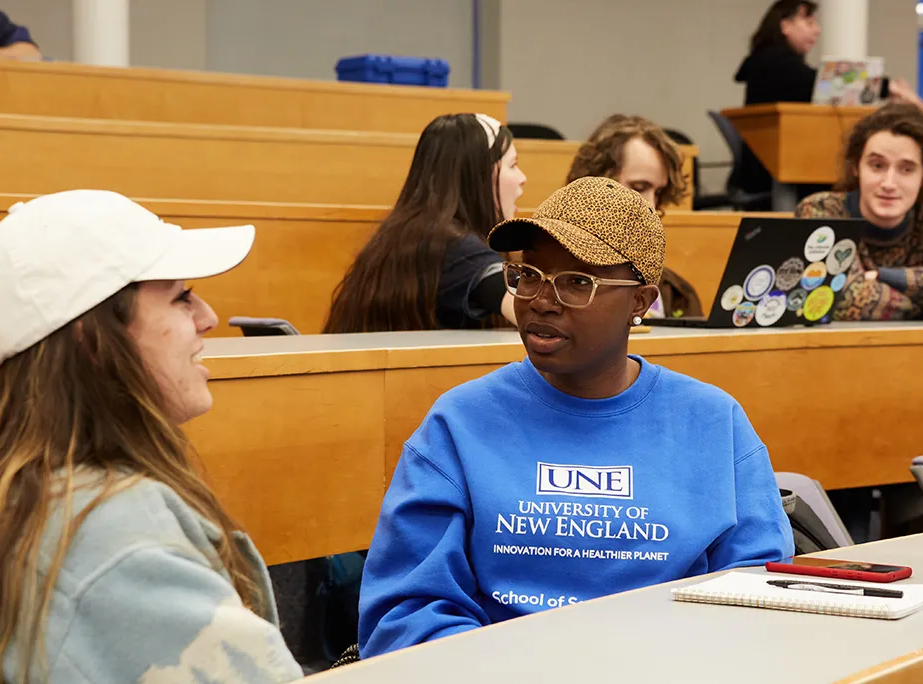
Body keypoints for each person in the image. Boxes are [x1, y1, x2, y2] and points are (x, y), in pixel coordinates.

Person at [357, 177, 794, 657]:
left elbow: (757, 601)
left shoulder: (715, 423)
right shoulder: (459, 423)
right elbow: (405, 614)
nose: (541, 301)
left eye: (577, 282)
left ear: (640, 303)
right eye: (528, 276)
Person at [0, 190, 303, 683]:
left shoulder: (40, 499)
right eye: (181, 296)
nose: (207, 316)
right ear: (92, 342)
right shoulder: (114, 544)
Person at [795, 103, 923, 320]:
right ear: (856, 167)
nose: (889, 183)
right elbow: (842, 299)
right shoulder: (823, 211)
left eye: (906, 169)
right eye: (877, 166)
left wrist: (892, 278)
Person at [323, 113, 527, 333]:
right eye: (512, 165)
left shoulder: (408, 235)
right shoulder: (456, 249)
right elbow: (532, 314)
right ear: (477, 175)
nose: (522, 178)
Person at [567, 113, 702, 317]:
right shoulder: (540, 278)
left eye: (658, 193)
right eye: (639, 187)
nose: (652, 205)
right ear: (595, 181)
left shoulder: (678, 293)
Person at [733, 0, 821, 199]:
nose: (817, 30)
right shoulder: (774, 62)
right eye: (809, 23)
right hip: (772, 169)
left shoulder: (765, 60)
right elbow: (820, 83)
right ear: (785, 26)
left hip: (768, 166)